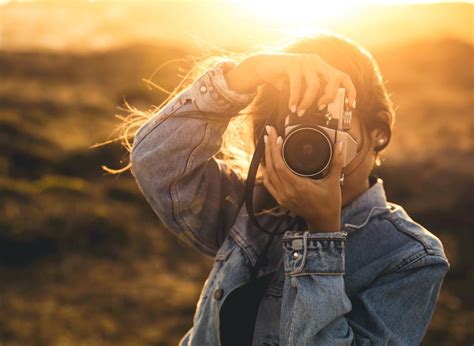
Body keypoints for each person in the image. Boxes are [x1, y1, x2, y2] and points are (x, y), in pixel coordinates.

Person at [128, 33, 449, 345]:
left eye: (329, 119)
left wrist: (322, 234)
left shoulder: (409, 258)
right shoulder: (252, 204)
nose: (310, 138)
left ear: (378, 131)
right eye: (295, 121)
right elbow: (156, 163)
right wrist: (246, 74)